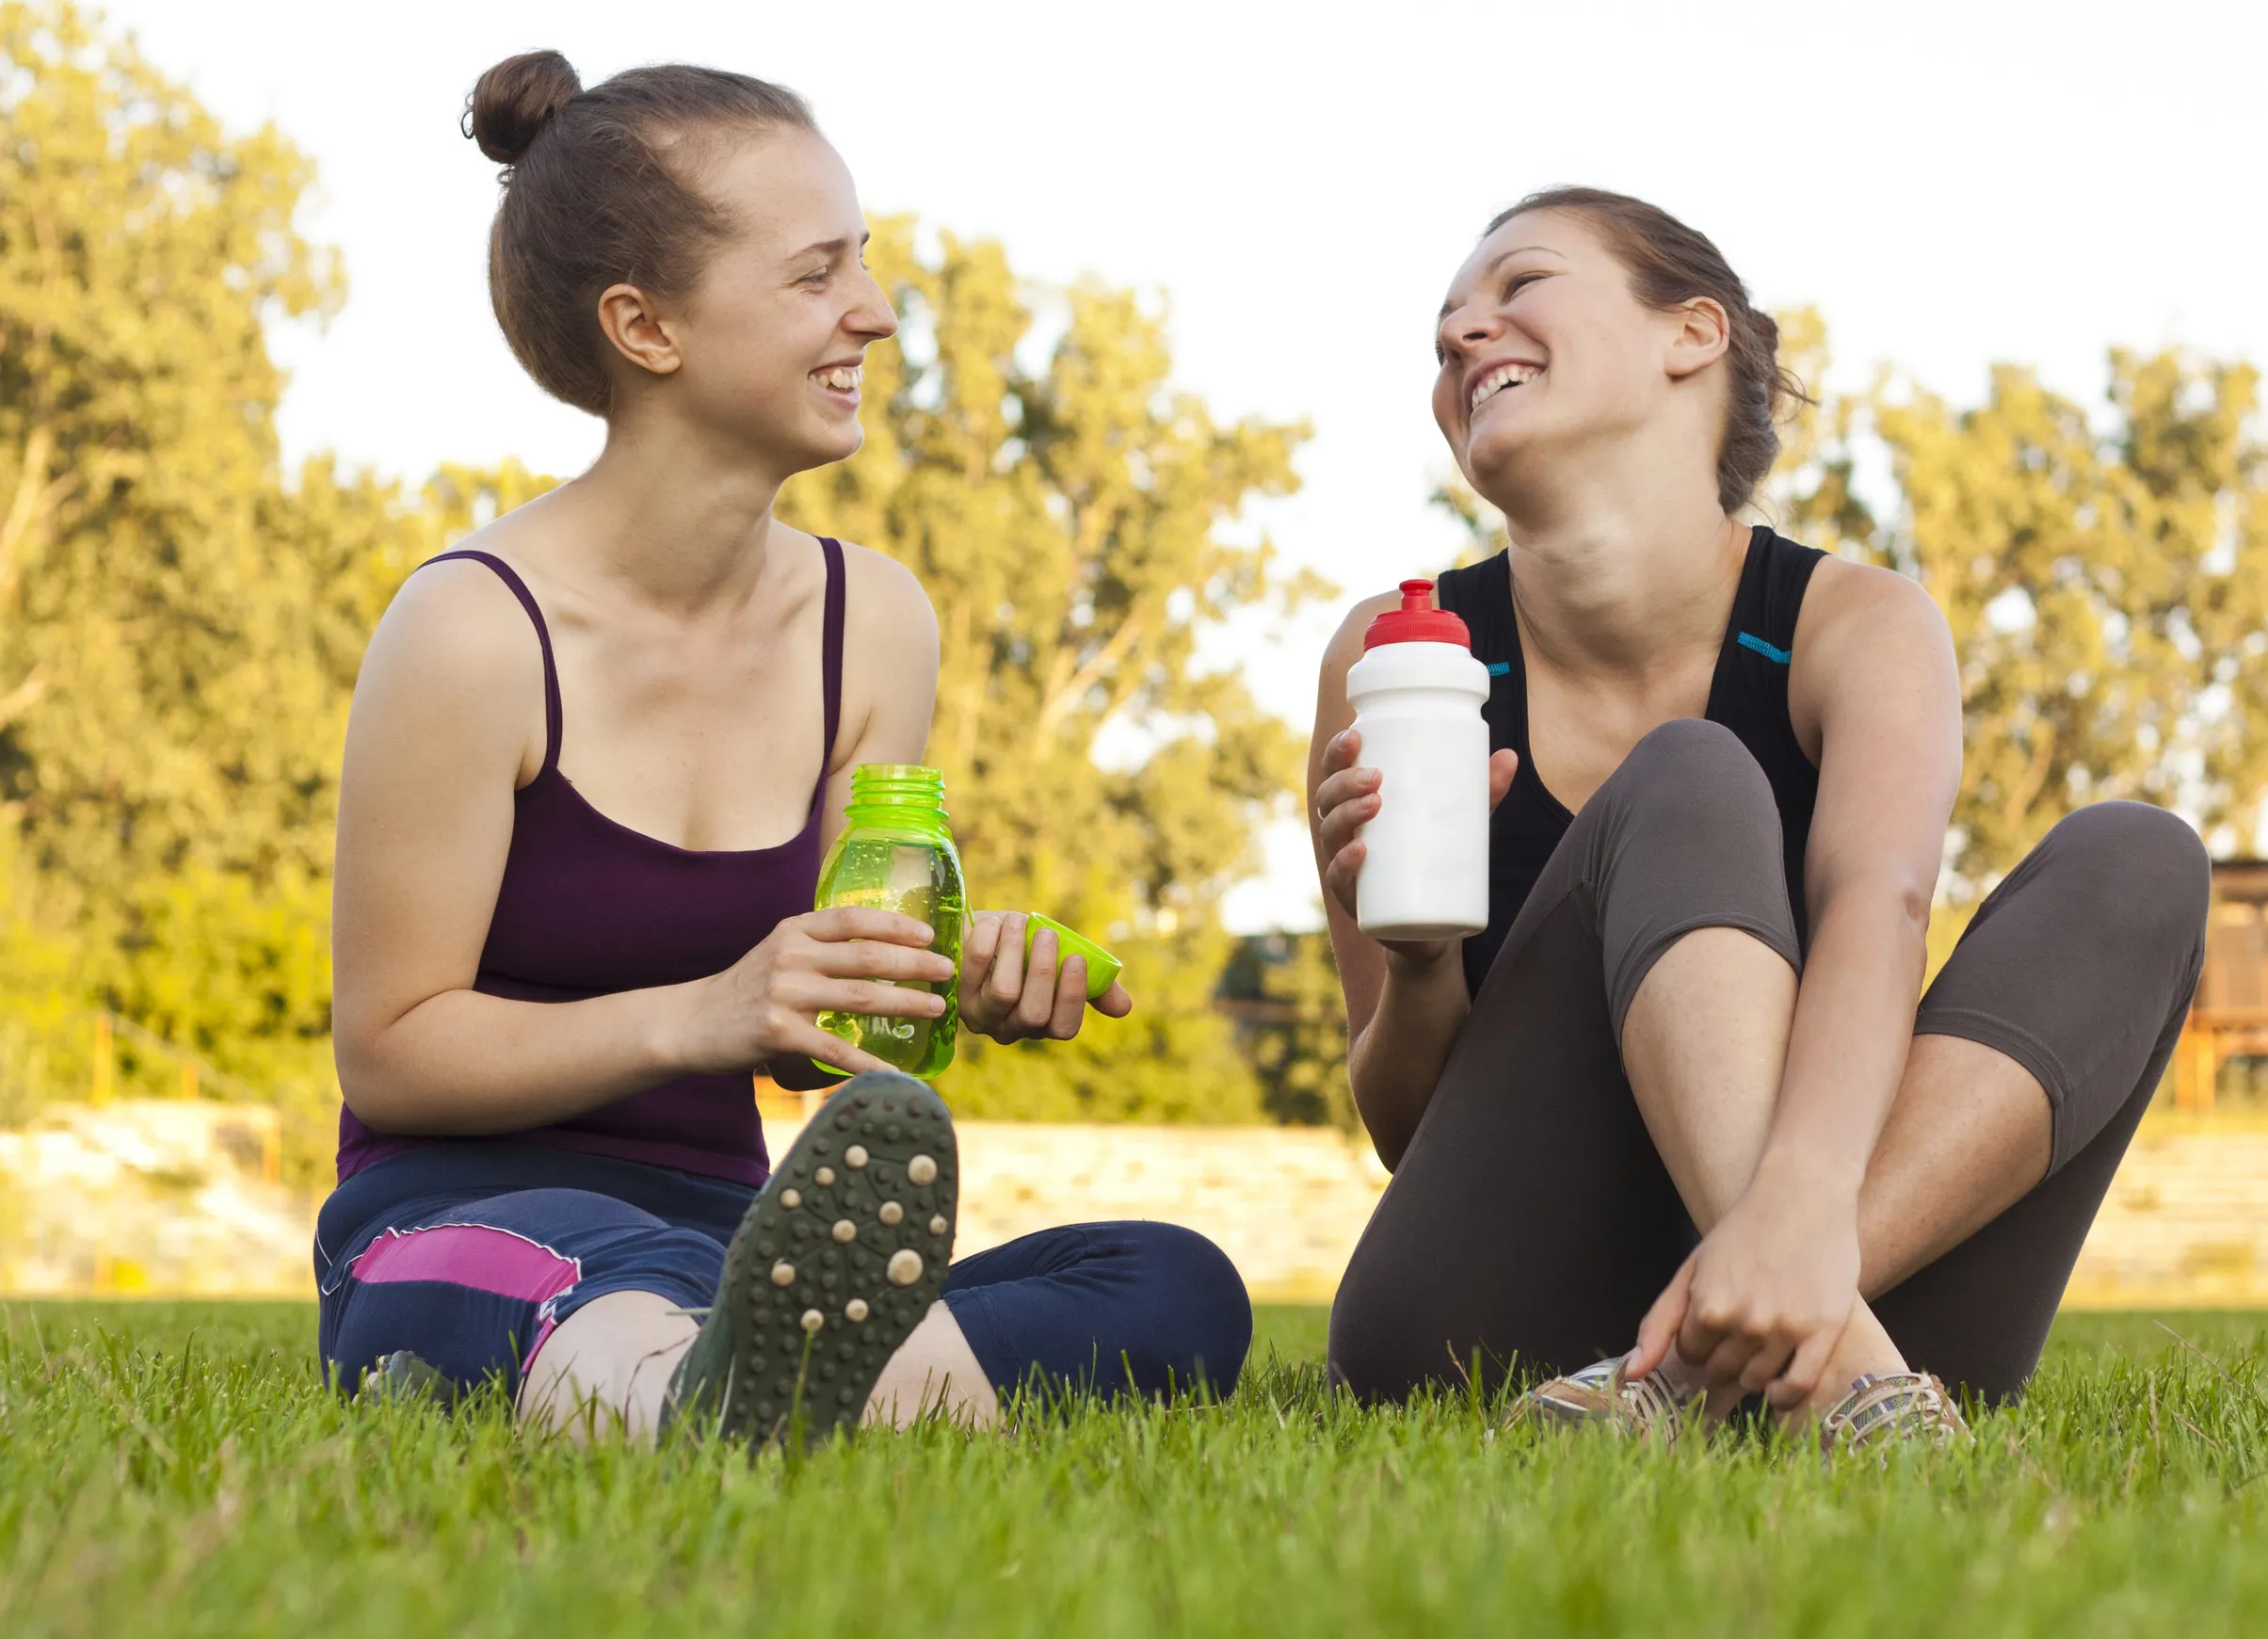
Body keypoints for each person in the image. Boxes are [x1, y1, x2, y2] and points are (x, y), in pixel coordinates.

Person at [315, 52, 1249, 1444]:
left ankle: (743, 1386)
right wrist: (706, 1011)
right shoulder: (470, 630)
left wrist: (936, 981)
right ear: (646, 327)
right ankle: (747, 1387)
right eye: (816, 275)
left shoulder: (873, 622)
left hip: (732, 1230)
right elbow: (390, 1053)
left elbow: (817, 1047)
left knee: (1171, 1283)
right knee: (619, 1281)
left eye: (861, 266)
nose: (872, 314)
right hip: (458, 1219)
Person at [1308, 187, 2208, 1449]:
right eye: (1446, 323)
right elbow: (1414, 1136)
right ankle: (1815, 1348)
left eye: (1517, 287)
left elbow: (1877, 909)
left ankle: (1685, 1371)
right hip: (1496, 1316)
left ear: (1693, 334)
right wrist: (1414, 964)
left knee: (2141, 859)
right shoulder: (1399, 660)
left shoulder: (1858, 626)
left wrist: (1795, 1210)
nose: (1464, 334)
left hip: (1870, 1269)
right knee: (1689, 776)